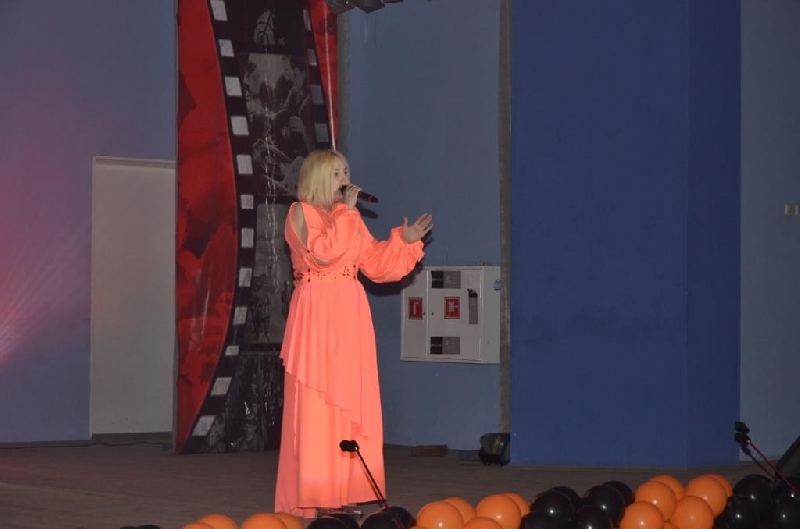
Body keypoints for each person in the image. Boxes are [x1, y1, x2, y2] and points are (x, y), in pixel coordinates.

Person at [274, 149, 433, 518]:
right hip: (317, 311)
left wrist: (404, 241)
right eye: (336, 173)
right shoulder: (301, 213)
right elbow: (324, 254)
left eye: (346, 172)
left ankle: (344, 491)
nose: (345, 179)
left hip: (350, 312)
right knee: (319, 405)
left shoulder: (349, 217)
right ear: (317, 177)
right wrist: (346, 212)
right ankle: (318, 494)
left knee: (349, 400)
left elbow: (376, 265)